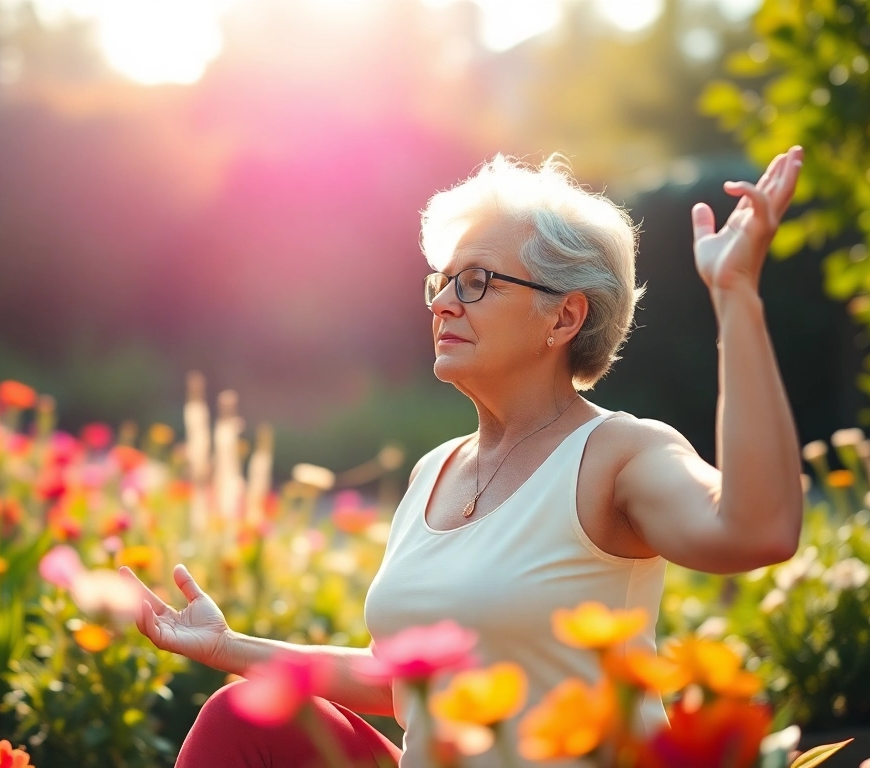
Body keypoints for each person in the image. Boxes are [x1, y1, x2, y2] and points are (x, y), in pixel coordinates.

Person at [120, 146, 807, 767]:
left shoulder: (618, 454)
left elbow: (759, 529)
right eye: (442, 281)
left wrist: (735, 297)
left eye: (476, 281)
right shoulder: (434, 471)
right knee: (240, 716)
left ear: (564, 317)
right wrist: (227, 648)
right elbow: (401, 681)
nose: (444, 303)